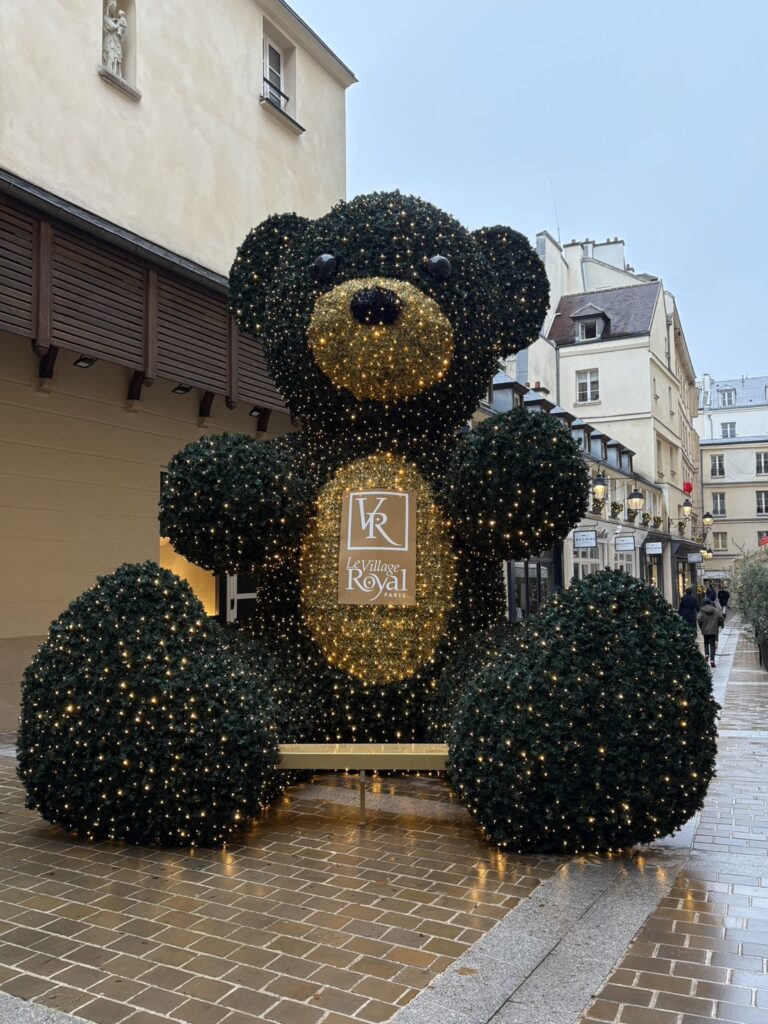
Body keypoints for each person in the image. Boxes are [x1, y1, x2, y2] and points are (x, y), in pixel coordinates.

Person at [698, 598, 725, 668]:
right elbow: (721, 618)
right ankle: (712, 660)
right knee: (712, 645)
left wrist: (701, 627)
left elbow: (699, 619)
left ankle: (706, 654)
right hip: (713, 630)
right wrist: (718, 624)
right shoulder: (716, 610)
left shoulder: (702, 610)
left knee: (706, 642)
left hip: (705, 630)